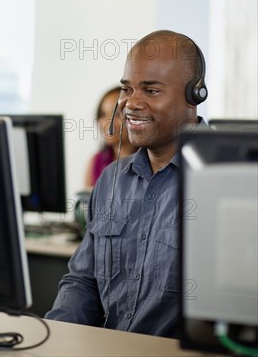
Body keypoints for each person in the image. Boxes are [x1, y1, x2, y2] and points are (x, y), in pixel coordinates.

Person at [45, 30, 208, 337]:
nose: (131, 104)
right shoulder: (111, 180)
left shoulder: (225, 182)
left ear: (194, 96)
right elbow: (83, 281)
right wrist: (55, 339)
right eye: (127, 89)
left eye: (151, 91)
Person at [84, 86, 137, 188]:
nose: (107, 122)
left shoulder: (149, 163)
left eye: (117, 115)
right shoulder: (96, 162)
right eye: (103, 114)